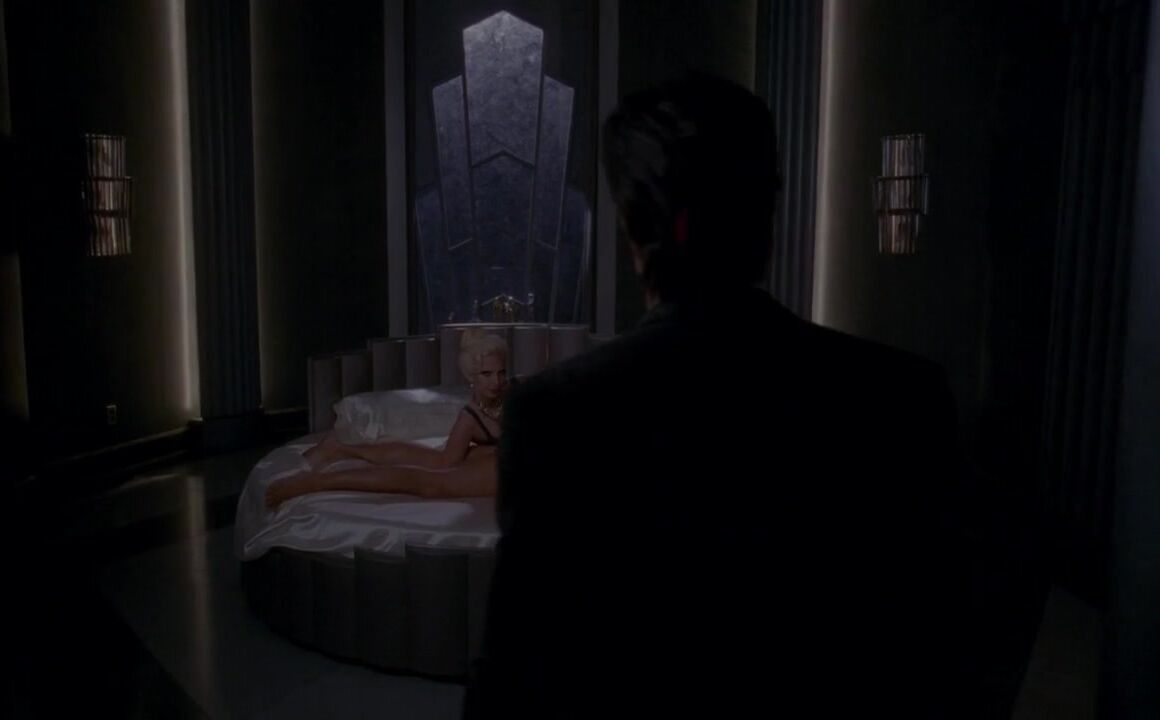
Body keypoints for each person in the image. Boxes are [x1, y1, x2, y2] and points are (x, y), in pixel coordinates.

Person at [462, 74, 974, 718]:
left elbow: (514, 677)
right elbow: (942, 662)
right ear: (768, 213)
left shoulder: (559, 414)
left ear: (633, 226)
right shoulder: (904, 398)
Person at [265, 329, 510, 507]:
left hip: (510, 456)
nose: (496, 381)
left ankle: (343, 450)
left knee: (439, 460)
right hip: (510, 461)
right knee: (431, 480)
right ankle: (318, 480)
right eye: (487, 374)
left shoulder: (510, 394)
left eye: (501, 373)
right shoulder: (471, 415)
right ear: (471, 376)